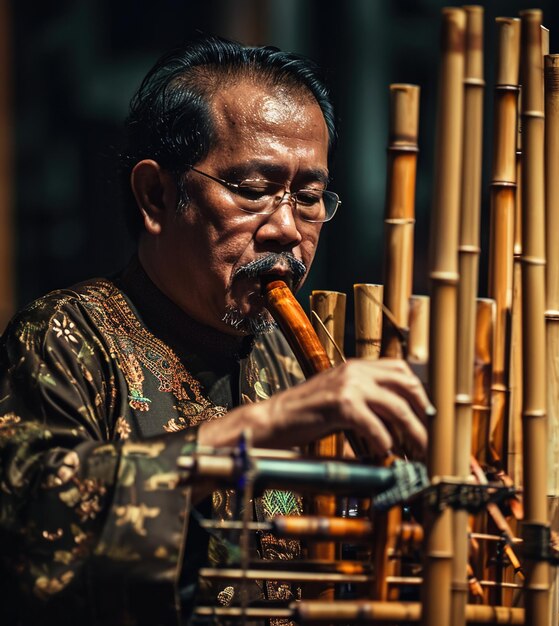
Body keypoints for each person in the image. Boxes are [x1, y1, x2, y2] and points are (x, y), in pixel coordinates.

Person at [0, 36, 429, 625]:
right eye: (253, 191)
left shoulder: (297, 363)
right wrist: (270, 423)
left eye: (307, 198)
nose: (286, 228)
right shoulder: (65, 336)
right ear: (157, 195)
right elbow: (34, 528)